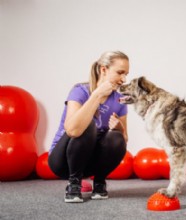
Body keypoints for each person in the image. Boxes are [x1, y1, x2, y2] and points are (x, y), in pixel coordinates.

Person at [48, 51, 129, 203]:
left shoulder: (119, 100)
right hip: (63, 161)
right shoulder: (80, 91)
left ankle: (99, 182)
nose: (123, 79)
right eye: (120, 73)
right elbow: (72, 130)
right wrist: (97, 95)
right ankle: (74, 184)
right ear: (103, 70)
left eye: (126, 74)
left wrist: (120, 129)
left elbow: (124, 141)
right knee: (87, 124)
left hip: (90, 163)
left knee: (116, 137)